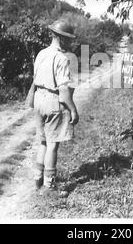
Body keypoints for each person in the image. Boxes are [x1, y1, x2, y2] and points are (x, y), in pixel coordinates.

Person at [33, 19, 79, 196]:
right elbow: (64, 90)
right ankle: (49, 187)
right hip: (52, 100)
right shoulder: (61, 58)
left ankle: (38, 180)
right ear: (62, 38)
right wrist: (73, 110)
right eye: (69, 39)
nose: (70, 42)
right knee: (53, 144)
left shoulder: (41, 53)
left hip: (39, 99)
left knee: (43, 141)